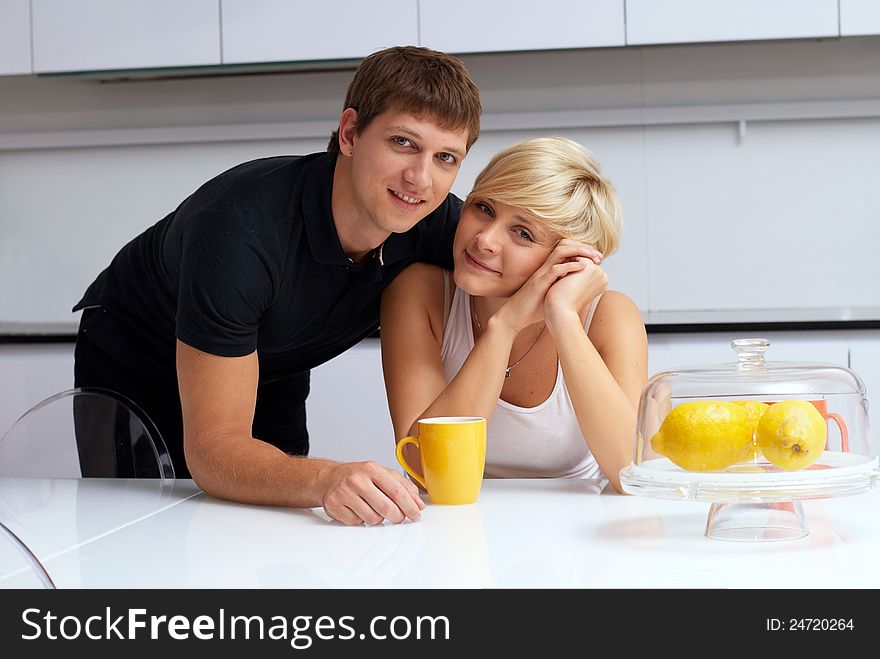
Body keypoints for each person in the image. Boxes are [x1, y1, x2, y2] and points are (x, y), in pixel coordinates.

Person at [71, 46, 482, 525]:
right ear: (350, 134)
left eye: (446, 157)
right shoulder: (241, 232)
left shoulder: (431, 221)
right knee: (135, 533)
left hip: (272, 359)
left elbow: (523, 260)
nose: (420, 178)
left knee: (271, 527)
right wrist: (326, 477)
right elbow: (213, 451)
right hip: (138, 360)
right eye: (403, 143)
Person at [380, 137, 647, 493]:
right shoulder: (420, 293)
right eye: (484, 208)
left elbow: (633, 477)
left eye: (522, 233)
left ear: (568, 259)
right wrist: (504, 327)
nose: (485, 239)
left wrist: (563, 318)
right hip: (454, 524)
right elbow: (424, 470)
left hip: (578, 535)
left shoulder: (609, 316)